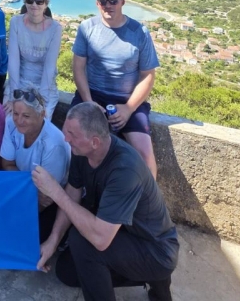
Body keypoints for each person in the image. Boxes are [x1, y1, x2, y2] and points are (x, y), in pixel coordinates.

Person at [32, 102, 178, 301]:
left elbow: (100, 239)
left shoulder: (125, 170)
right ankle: (147, 278)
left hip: (154, 249)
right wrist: (53, 241)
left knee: (82, 241)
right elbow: (73, 193)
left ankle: (155, 276)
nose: (66, 139)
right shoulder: (82, 151)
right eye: (66, 131)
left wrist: (55, 192)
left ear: (95, 142)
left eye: (72, 134)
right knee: (66, 272)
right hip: (120, 231)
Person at [72, 0, 160, 178]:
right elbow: (78, 67)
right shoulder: (87, 28)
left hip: (128, 99)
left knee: (144, 155)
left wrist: (128, 108)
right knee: (70, 142)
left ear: (122, 2)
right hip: (92, 94)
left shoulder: (139, 32)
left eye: (113, 0)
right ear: (97, 4)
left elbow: (148, 75)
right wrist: (88, 101)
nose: (108, 5)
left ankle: (150, 197)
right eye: (103, 1)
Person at [0, 87, 70, 241]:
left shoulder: (53, 145)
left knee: (20, 233)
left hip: (53, 199)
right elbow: (7, 164)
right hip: (29, 187)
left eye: (26, 116)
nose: (19, 120)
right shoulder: (10, 123)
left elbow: (46, 197)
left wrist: (18, 214)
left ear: (42, 114)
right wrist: (31, 189)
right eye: (16, 113)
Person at [4, 0, 62, 119]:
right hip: (19, 80)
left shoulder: (55, 28)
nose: (34, 5)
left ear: (45, 4)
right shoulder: (16, 22)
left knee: (40, 122)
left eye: (39, 1)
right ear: (25, 2)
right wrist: (13, 96)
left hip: (44, 84)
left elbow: (49, 67)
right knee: (9, 120)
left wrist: (42, 100)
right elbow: (13, 61)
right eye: (30, 1)